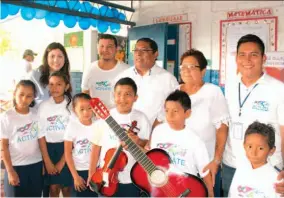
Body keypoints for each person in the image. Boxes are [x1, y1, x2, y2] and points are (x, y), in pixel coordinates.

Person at [222, 34, 284, 196]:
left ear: (263, 58)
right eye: (242, 54)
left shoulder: (278, 89)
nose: (247, 60)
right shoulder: (229, 86)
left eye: (254, 55)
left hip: (268, 167)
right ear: (236, 58)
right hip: (232, 165)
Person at [178, 49, 230, 196]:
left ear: (203, 71)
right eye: (183, 67)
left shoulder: (212, 92)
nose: (186, 71)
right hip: (178, 165)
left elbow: (222, 127)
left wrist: (216, 160)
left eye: (192, 67)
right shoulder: (175, 92)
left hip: (205, 165)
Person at [88, 77, 151, 197]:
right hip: (105, 176)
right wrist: (91, 172)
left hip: (131, 177)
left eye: (127, 94)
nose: (122, 98)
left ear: (135, 97)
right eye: (119, 94)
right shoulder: (105, 117)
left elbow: (146, 145)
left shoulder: (141, 118)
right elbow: (95, 147)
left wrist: (137, 140)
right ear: (113, 96)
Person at [149, 90, 214, 197]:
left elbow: (205, 172)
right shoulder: (158, 131)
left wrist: (211, 194)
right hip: (160, 190)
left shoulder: (195, 140)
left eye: (175, 111)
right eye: (167, 110)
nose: (170, 115)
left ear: (187, 113)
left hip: (185, 191)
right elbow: (153, 159)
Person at [114, 38, 178, 128]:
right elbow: (115, 104)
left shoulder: (168, 80)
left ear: (155, 54)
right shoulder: (122, 77)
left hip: (155, 134)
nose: (138, 54)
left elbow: (174, 108)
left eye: (144, 50)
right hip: (123, 133)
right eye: (136, 50)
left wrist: (154, 131)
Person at [0, 80, 43, 197]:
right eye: (21, 95)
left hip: (36, 165)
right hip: (16, 166)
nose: (24, 99)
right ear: (15, 94)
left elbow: (41, 141)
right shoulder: (6, 117)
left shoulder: (36, 114)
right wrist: (10, 171)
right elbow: (3, 146)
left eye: (29, 96)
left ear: (34, 97)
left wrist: (44, 163)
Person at [38, 72, 73, 197]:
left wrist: (63, 161)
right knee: (53, 189)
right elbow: (40, 134)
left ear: (66, 86)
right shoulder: (43, 107)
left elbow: (74, 134)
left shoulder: (72, 106)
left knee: (67, 189)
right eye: (51, 84)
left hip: (67, 149)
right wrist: (47, 161)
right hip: (49, 150)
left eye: (59, 84)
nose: (54, 88)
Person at [229, 121, 280, 197]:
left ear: (271, 150)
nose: (253, 152)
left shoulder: (276, 180)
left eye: (260, 148)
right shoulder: (241, 168)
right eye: (250, 147)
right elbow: (232, 194)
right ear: (244, 146)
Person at [81, 34, 129, 109]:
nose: (105, 50)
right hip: (96, 117)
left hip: (119, 117)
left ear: (116, 49)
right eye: (101, 46)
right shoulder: (89, 69)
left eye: (109, 46)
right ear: (97, 48)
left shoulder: (126, 70)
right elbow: (84, 94)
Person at [64, 93, 98, 197]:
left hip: (96, 170)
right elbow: (67, 153)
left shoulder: (98, 124)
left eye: (89, 108)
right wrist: (75, 176)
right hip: (78, 171)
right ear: (74, 110)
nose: (86, 112)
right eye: (82, 109)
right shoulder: (72, 126)